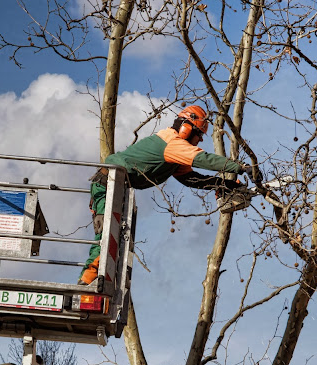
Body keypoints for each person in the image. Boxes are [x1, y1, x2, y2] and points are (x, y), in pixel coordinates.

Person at [78, 105, 256, 285]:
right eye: (199, 134)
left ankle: (99, 280)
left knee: (117, 239)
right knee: (108, 235)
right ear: (187, 128)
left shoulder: (174, 150)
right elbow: (202, 159)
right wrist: (240, 167)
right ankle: (87, 281)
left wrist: (226, 184)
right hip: (109, 183)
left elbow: (191, 179)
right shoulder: (172, 143)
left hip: (118, 185)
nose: (200, 139)